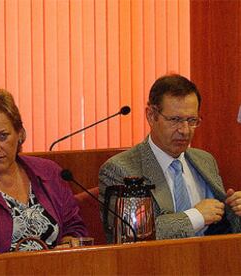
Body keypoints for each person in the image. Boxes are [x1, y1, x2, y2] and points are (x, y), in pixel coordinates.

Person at [99, 74, 241, 243]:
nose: (185, 130)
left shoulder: (205, 160)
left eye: (192, 120)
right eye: (175, 120)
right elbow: (130, 233)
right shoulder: (120, 169)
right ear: (151, 116)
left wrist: (236, 211)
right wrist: (195, 216)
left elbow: (224, 228)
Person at [0, 89, 87, 254]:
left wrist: (68, 242)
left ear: (20, 133)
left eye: (2, 136)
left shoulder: (48, 172)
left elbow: (75, 227)